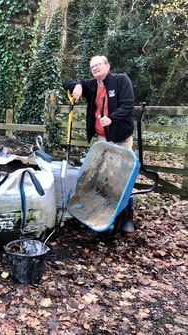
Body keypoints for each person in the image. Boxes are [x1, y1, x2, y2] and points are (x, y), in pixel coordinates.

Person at [62, 55, 136, 237]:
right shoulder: (92, 85)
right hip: (101, 141)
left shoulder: (120, 80)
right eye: (92, 66)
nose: (95, 68)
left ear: (107, 66)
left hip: (121, 139)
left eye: (98, 65)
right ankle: (103, 215)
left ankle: (128, 218)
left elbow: (128, 105)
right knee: (102, 179)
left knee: (123, 180)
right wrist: (77, 85)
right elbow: (66, 83)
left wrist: (112, 118)